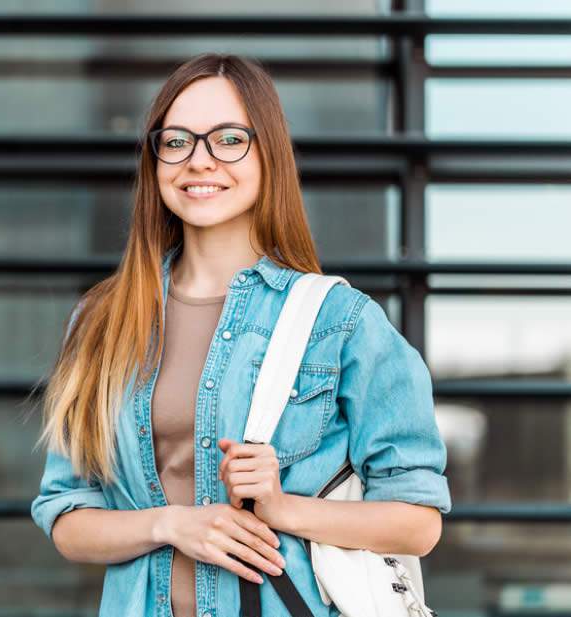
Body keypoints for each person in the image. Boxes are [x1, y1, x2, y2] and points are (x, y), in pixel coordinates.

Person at [30, 52, 451, 617]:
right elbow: (67, 517)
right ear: (154, 161)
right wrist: (172, 524)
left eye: (228, 140)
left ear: (268, 155)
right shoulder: (102, 321)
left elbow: (418, 524)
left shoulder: (340, 322)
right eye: (176, 142)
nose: (199, 161)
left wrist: (281, 507)